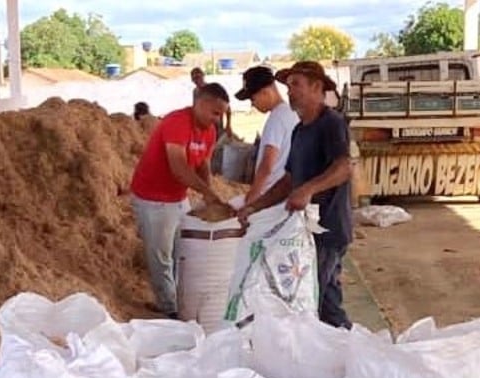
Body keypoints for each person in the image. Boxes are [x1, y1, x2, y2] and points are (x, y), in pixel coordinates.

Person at [239, 61, 353, 329]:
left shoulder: (331, 123)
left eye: (296, 85)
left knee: (313, 298)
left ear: (316, 87)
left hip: (327, 229)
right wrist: (254, 207)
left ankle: (339, 351)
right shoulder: (300, 130)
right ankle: (345, 350)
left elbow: (343, 167)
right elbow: (288, 180)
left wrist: (309, 189)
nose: (290, 92)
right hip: (304, 232)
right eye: (288, 86)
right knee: (324, 301)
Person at [129, 83, 229, 319]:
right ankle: (169, 308)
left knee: (181, 254)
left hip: (177, 197)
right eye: (215, 113)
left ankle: (179, 302)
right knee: (161, 256)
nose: (218, 119)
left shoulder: (209, 131)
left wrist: (208, 192)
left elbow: (203, 163)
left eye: (222, 114)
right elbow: (178, 167)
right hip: (152, 198)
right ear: (201, 104)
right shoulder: (177, 122)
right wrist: (208, 194)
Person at [234, 65, 298, 206]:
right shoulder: (291, 114)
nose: (252, 105)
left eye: (252, 99)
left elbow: (267, 163)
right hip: (283, 193)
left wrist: (254, 195)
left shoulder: (276, 118)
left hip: (269, 194)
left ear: (265, 92)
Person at [191, 67, 232, 137]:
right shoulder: (195, 92)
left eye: (198, 77)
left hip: (216, 124)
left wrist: (228, 125)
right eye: (194, 78)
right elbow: (195, 108)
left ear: (203, 76)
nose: (197, 80)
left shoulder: (212, 89)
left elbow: (227, 108)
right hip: (202, 125)